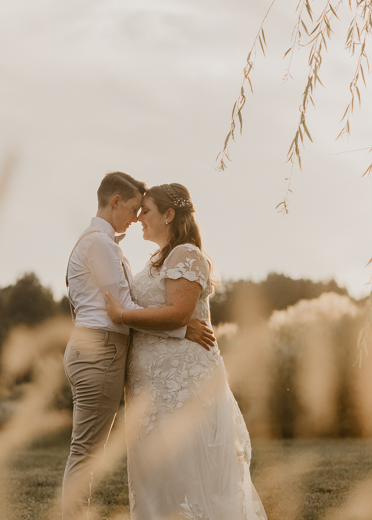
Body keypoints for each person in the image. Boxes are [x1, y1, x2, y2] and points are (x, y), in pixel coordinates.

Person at [105, 183, 267, 520]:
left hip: (179, 383)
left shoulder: (186, 254)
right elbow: (175, 316)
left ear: (169, 214)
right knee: (155, 475)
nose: (139, 219)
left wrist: (122, 316)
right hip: (151, 385)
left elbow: (178, 312)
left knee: (184, 472)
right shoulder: (159, 260)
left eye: (145, 211)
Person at [62, 172, 216, 520]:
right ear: (115, 201)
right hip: (100, 350)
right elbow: (121, 310)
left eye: (142, 211)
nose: (135, 217)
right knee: (87, 451)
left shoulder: (100, 242)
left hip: (100, 349)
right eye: (134, 208)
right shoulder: (99, 244)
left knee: (87, 450)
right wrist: (181, 327)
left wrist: (177, 322)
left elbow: (121, 306)